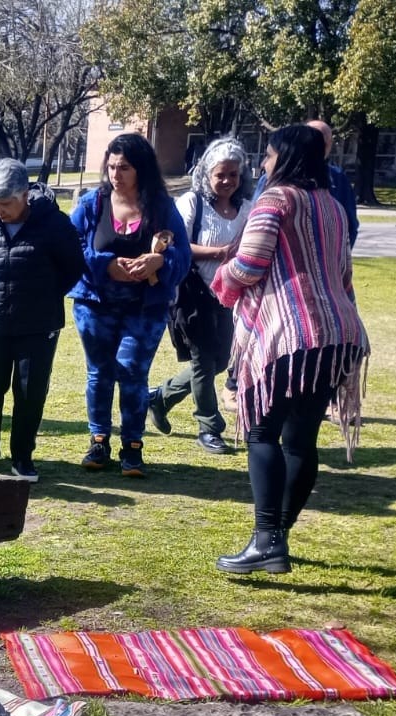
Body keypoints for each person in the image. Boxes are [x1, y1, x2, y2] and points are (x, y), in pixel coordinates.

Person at [212, 124, 369, 573]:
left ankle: (267, 539)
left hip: (289, 335)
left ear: (286, 157)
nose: (264, 162)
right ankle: (278, 536)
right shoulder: (333, 205)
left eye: (268, 154)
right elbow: (343, 274)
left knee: (262, 433)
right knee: (301, 439)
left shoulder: (275, 201)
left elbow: (250, 264)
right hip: (337, 333)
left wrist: (222, 281)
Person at [68, 133, 192, 476]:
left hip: (144, 308)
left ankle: (132, 447)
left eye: (123, 168)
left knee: (133, 373)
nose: (115, 174)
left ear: (141, 169)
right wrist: (104, 264)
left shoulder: (162, 208)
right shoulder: (92, 204)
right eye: (111, 167)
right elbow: (72, 244)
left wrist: (160, 262)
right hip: (95, 306)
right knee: (99, 373)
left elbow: (182, 256)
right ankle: (98, 441)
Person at [0, 159, 83, 479]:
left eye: (5, 203)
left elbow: (72, 267)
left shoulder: (55, 224)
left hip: (38, 324)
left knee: (30, 391)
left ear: (24, 196)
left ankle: (22, 455)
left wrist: (43, 296)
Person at [148, 136, 253, 455]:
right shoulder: (192, 203)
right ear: (207, 173)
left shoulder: (247, 208)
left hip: (229, 297)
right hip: (191, 294)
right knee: (203, 362)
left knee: (219, 361)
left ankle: (160, 397)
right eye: (221, 174)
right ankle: (209, 428)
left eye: (233, 174)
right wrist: (219, 252)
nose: (227, 181)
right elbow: (176, 244)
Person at [254, 120, 358, 249]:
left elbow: (251, 258)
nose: (263, 163)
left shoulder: (276, 199)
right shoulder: (267, 180)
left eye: (322, 143)